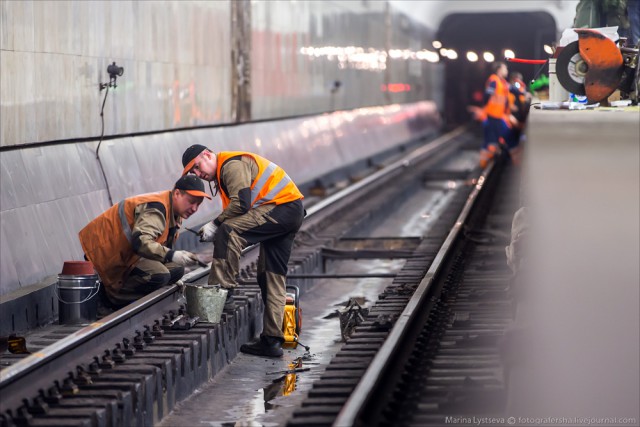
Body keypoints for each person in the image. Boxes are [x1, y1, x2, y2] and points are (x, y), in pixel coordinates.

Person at [181, 144, 305, 358]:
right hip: (290, 211)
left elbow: (241, 204)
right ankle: (272, 341)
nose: (198, 174)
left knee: (228, 233)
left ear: (208, 155)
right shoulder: (222, 175)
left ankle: (222, 291)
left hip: (281, 209)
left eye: (198, 167)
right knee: (271, 276)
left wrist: (215, 224)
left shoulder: (231, 164)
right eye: (194, 172)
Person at [79, 175, 210, 308]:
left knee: (177, 270)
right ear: (177, 194)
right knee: (160, 275)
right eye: (191, 201)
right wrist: (172, 255)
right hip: (107, 256)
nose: (194, 208)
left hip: (129, 256)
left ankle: (133, 297)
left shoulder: (174, 213)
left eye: (198, 204)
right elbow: (141, 242)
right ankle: (110, 299)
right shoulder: (156, 208)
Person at [480, 61, 512, 168]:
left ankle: (490, 163)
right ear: (499, 70)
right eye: (505, 68)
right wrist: (485, 109)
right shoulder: (494, 80)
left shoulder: (501, 82)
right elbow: (487, 95)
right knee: (493, 139)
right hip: (493, 115)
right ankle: (487, 164)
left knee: (495, 139)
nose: (506, 70)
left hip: (498, 115)